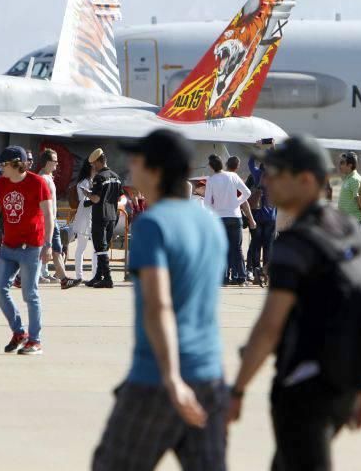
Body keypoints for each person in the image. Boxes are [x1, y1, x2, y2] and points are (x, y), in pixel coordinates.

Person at [226, 135, 361, 471]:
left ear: (305, 180)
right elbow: (355, 310)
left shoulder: (296, 244)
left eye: (277, 173)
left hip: (306, 389)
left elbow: (270, 325)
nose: (266, 180)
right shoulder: (345, 229)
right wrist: (357, 387)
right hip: (339, 386)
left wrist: (238, 390)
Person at [92, 130, 228, 470]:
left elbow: (159, 305)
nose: (131, 166)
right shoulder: (210, 224)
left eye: (137, 160)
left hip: (158, 379)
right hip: (210, 376)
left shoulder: (153, 225)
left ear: (156, 170)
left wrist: (171, 379)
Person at [0, 145, 53, 355]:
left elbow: (48, 215)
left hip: (32, 247)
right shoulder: (1, 184)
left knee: (30, 293)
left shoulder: (37, 183)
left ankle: (35, 340)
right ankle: (19, 332)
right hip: (8, 246)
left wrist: (48, 244)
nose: (0, 168)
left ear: (17, 164)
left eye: (4, 165)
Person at [205, 154, 251, 285]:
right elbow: (247, 192)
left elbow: (208, 203)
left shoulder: (211, 180)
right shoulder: (233, 176)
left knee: (222, 248)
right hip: (235, 216)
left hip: (219, 217)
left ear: (211, 166)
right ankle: (241, 276)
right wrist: (237, 201)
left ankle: (223, 277)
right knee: (237, 248)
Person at [37, 148, 80, 289]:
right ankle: (63, 279)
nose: (57, 164)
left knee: (56, 249)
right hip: (47, 220)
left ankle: (63, 278)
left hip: (51, 219)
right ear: (47, 162)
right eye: (55, 161)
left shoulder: (47, 177)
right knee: (50, 250)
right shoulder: (43, 178)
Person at [84, 148, 122, 289]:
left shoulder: (99, 177)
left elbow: (96, 198)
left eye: (94, 164)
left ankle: (107, 278)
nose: (93, 167)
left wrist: (87, 194)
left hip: (100, 215)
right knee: (104, 247)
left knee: (100, 247)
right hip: (113, 215)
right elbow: (119, 196)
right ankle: (98, 276)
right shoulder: (116, 177)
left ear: (99, 162)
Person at [247, 151, 276, 284]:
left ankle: (256, 271)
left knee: (256, 245)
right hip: (271, 217)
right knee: (268, 246)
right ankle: (267, 273)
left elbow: (250, 163)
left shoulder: (258, 174)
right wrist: (273, 149)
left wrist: (256, 149)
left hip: (258, 215)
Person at [71, 160, 95, 282]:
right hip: (84, 216)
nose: (95, 169)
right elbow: (84, 200)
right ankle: (79, 275)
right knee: (81, 247)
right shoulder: (83, 182)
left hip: (92, 216)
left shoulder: (95, 181)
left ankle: (95, 274)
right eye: (93, 167)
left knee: (96, 248)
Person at [337, 151, 361, 224]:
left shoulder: (355, 179)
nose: (339, 166)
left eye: (342, 163)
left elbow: (360, 202)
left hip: (354, 222)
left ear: (350, 165)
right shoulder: (348, 178)